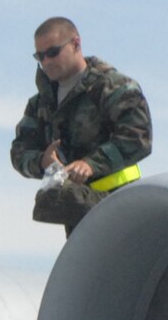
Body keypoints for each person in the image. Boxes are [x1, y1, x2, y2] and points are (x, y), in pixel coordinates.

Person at [10, 17, 151, 236]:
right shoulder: (40, 104)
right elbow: (19, 153)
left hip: (121, 206)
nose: (46, 61)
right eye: (40, 56)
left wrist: (90, 164)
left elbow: (139, 139)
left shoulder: (114, 88)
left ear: (76, 44)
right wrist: (42, 162)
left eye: (53, 52)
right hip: (76, 211)